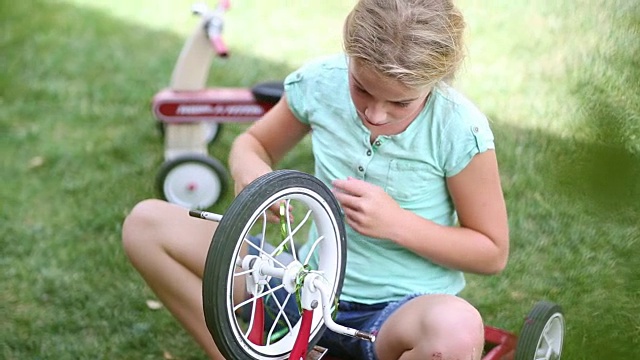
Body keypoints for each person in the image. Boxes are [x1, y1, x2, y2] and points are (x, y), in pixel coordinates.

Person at [122, 0, 509, 359]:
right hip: (300, 283)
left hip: (398, 313)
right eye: (362, 88)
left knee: (456, 330)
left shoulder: (458, 129)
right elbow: (253, 143)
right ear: (350, 56)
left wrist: (397, 225)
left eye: (400, 103)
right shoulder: (322, 83)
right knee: (146, 225)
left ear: (438, 78)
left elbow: (491, 251)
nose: (375, 113)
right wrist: (251, 172)